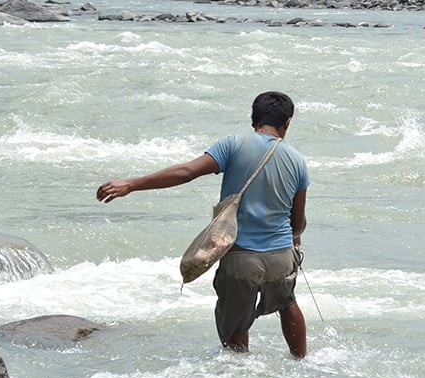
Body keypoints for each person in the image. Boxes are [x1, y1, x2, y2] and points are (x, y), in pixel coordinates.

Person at [96, 91, 311, 358]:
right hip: (280, 256)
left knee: (236, 325)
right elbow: (297, 222)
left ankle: (240, 372)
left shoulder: (233, 144)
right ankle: (301, 362)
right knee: (288, 303)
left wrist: (130, 184)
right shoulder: (298, 161)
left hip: (240, 257)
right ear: (287, 123)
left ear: (253, 118)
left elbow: (186, 172)